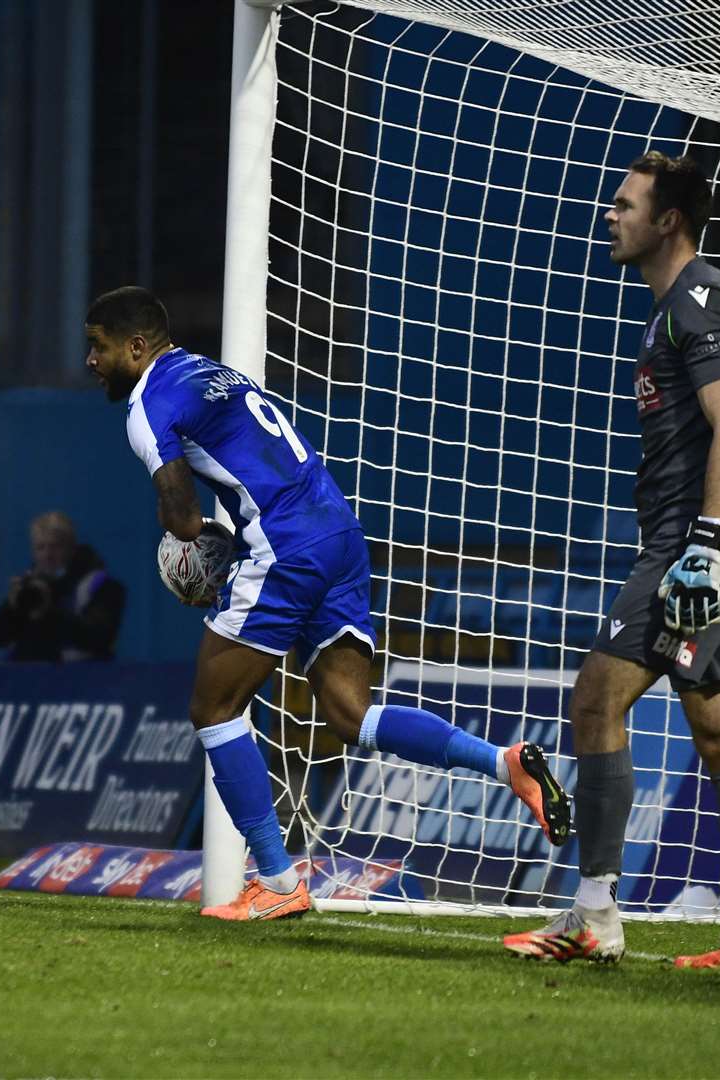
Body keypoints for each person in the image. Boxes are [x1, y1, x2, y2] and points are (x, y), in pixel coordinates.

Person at [83, 285, 569, 921]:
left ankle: (279, 882)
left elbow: (183, 516)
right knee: (350, 713)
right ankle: (506, 764)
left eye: (98, 347)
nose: (90, 361)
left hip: (284, 547)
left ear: (137, 346)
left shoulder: (149, 404)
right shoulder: (215, 373)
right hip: (337, 531)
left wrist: (200, 566)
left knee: (213, 706)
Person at [502, 151, 720, 973]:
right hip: (705, 540)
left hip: (694, 545)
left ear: (666, 219)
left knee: (596, 700)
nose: (611, 214)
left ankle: (594, 914)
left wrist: (700, 546)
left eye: (625, 203)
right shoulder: (670, 307)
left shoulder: (698, 301)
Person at [0, 510, 126, 662]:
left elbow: (98, 637)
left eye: (56, 547)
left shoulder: (102, 586)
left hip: (83, 679)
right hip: (26, 679)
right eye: (40, 547)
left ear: (72, 548)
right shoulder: (29, 588)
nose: (47, 555)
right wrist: (11, 607)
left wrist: (48, 611)